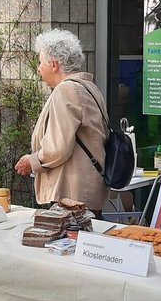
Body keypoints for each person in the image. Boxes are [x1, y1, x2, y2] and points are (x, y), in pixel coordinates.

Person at [13, 29, 109, 217]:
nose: (38, 68)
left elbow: (58, 148)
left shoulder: (65, 90)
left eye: (40, 62)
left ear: (54, 64)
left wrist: (32, 161)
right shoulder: (88, 86)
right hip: (86, 187)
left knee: (68, 243)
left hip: (71, 193)